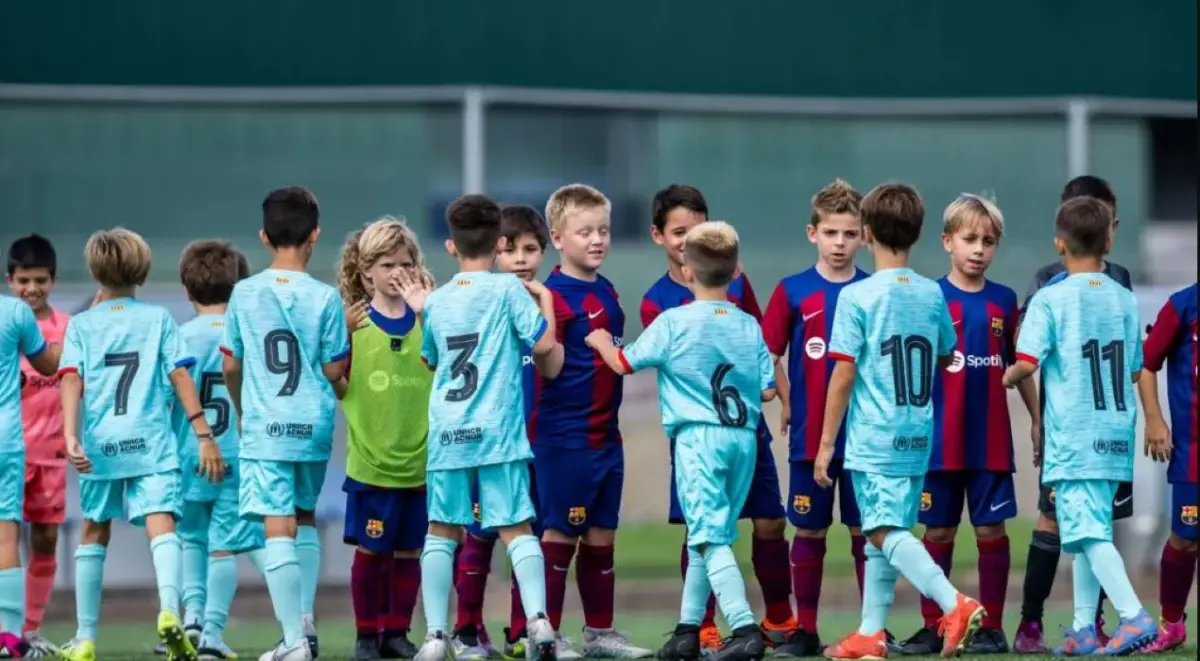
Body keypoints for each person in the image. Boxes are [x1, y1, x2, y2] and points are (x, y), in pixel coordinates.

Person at [590, 220, 774, 661]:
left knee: (711, 538)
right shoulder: (748, 325)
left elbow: (623, 362)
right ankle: (687, 630)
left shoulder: (674, 321)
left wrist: (599, 341)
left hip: (699, 438)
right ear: (735, 273)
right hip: (743, 437)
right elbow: (767, 388)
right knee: (704, 533)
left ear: (687, 271)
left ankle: (745, 628)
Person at [816, 182, 983, 660]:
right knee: (882, 530)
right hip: (916, 432)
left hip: (876, 435)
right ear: (920, 233)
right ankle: (871, 632)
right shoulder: (932, 294)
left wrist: (827, 442)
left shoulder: (857, 295)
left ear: (865, 234)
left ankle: (954, 602)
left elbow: (843, 371)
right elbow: (949, 356)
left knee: (883, 531)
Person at [57, 228, 224, 661]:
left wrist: (71, 434)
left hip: (100, 444)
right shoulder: (159, 320)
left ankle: (86, 637)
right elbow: (180, 377)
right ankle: (170, 612)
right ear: (143, 270)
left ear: (95, 271)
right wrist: (203, 433)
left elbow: (71, 377)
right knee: (162, 524)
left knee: (94, 530)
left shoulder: (82, 324)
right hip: (150, 442)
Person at [1003, 195, 1157, 656]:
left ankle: (1133, 616)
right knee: (1093, 530)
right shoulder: (1125, 299)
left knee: (1086, 533)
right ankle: (1084, 628)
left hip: (1075, 436)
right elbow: (1134, 368)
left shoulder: (1051, 299)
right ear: (1109, 238)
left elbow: (1026, 362)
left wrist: (1004, 377)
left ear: (1059, 244)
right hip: (1115, 432)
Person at [642, 185, 792, 654]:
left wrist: (785, 399)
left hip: (744, 424)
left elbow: (762, 346)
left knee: (768, 519)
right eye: (679, 232)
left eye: (697, 230)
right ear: (659, 237)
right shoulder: (657, 301)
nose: (688, 239)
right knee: (702, 529)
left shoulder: (736, 285)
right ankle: (700, 626)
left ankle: (777, 618)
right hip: (703, 431)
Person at [413, 193, 563, 661]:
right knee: (517, 527)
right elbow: (542, 345)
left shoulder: (436, 301)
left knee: (441, 531)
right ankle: (539, 621)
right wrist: (546, 308)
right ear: (499, 244)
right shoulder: (508, 291)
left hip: (449, 434)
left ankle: (437, 636)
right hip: (497, 432)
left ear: (451, 247)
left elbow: (431, 360)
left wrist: (424, 311)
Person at [894, 195, 1038, 656]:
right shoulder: (928, 297)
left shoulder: (1003, 301)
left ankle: (992, 627)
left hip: (990, 440)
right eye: (969, 239)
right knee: (937, 533)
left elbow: (1018, 367)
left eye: (988, 241)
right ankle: (935, 623)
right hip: (937, 442)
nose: (979, 249)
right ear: (947, 241)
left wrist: (1037, 420)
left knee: (991, 532)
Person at [221, 187, 350, 661]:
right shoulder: (327, 298)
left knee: (276, 527)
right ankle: (306, 621)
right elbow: (335, 371)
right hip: (312, 423)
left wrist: (240, 407)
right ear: (315, 235)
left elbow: (230, 365)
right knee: (303, 517)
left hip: (266, 424)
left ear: (263, 236)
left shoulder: (244, 292)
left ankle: (294, 641)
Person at [532, 184, 651, 659]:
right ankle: (548, 635)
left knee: (602, 535)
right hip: (566, 439)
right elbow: (547, 366)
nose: (598, 240)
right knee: (561, 534)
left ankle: (601, 633)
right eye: (585, 232)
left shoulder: (606, 289)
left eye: (603, 230)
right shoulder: (552, 297)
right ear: (558, 238)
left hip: (606, 436)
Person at [760, 179, 869, 656]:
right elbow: (768, 353)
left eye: (849, 234)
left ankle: (872, 630)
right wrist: (786, 400)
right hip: (809, 437)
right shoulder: (793, 291)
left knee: (869, 532)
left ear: (863, 236)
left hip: (867, 437)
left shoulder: (872, 290)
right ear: (813, 233)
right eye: (831, 233)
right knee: (809, 530)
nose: (840, 244)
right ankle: (805, 631)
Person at [334, 218, 436, 661]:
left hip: (421, 464)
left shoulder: (426, 320)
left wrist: (428, 314)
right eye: (387, 263)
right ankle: (365, 635)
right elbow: (336, 382)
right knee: (373, 552)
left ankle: (397, 633)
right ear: (365, 272)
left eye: (406, 263)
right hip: (373, 464)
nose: (398, 271)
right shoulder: (354, 326)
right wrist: (339, 337)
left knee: (410, 552)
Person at [454, 205, 552, 660]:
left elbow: (554, 364)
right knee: (479, 535)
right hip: (487, 444)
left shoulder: (546, 305)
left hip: (536, 446)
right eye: (510, 249)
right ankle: (467, 630)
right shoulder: (483, 303)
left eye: (530, 249)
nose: (520, 258)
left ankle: (521, 632)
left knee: (527, 535)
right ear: (494, 250)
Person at [171, 240, 267, 661]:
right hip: (236, 454)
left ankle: (191, 615)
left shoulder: (177, 337)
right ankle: (211, 633)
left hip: (189, 453)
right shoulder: (242, 333)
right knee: (224, 543)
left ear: (187, 290)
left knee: (190, 536)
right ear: (240, 285)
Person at [6, 234, 70, 656]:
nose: (32, 289)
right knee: (7, 539)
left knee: (44, 540)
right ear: (9, 280)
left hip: (50, 453)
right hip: (13, 446)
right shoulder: (14, 319)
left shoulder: (67, 325)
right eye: (24, 280)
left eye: (40, 280)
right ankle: (8, 631)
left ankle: (27, 630)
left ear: (53, 279)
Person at [1134, 281, 1197, 654]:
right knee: (1185, 537)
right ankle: (1172, 624)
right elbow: (1145, 363)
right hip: (1192, 450)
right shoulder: (1183, 306)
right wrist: (1155, 420)